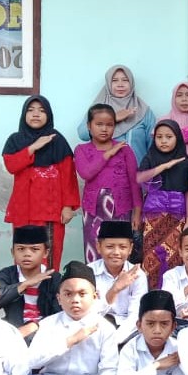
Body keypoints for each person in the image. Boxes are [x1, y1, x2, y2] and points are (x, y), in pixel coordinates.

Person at [3, 95, 79, 272]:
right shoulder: (15, 140)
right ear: (24, 114)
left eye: (41, 110)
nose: (36, 114)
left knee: (50, 256)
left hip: (51, 212)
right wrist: (33, 147)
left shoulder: (57, 140)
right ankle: (24, 288)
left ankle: (49, 288)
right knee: (24, 254)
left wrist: (68, 206)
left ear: (49, 114)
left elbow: (68, 175)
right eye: (30, 110)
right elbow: (11, 166)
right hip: (24, 211)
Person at [75, 103, 142, 264]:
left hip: (121, 209)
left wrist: (137, 213)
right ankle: (94, 279)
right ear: (89, 126)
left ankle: (121, 280)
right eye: (99, 124)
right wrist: (108, 154)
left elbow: (134, 182)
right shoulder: (81, 149)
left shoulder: (124, 149)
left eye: (109, 125)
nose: (104, 129)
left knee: (119, 250)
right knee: (94, 248)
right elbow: (86, 173)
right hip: (93, 210)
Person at [137, 119, 188, 289]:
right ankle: (151, 294)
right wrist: (164, 166)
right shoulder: (150, 157)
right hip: (153, 217)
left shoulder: (184, 161)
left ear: (177, 138)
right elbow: (139, 178)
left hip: (177, 217)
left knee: (174, 256)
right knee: (151, 257)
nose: (163, 141)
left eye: (169, 137)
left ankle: (171, 294)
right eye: (159, 137)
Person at [0, 225, 61, 342]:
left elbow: (59, 313)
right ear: (13, 252)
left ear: (46, 252)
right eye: (21, 249)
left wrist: (35, 326)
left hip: (46, 333)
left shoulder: (54, 278)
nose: (27, 254)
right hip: (13, 331)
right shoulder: (7, 274)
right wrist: (24, 285)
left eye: (34, 249)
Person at [77, 65, 156, 164]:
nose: (120, 85)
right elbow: (83, 134)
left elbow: (153, 145)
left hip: (138, 170)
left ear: (131, 83)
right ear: (108, 83)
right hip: (107, 171)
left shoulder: (143, 111)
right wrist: (113, 118)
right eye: (114, 80)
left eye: (125, 80)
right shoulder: (98, 109)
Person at [90, 220, 149, 345]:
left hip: (127, 331)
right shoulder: (89, 272)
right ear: (98, 247)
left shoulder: (138, 275)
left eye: (122, 247)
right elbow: (88, 312)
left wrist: (114, 341)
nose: (116, 252)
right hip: (95, 328)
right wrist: (115, 289)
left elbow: (135, 315)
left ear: (130, 249)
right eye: (109, 247)